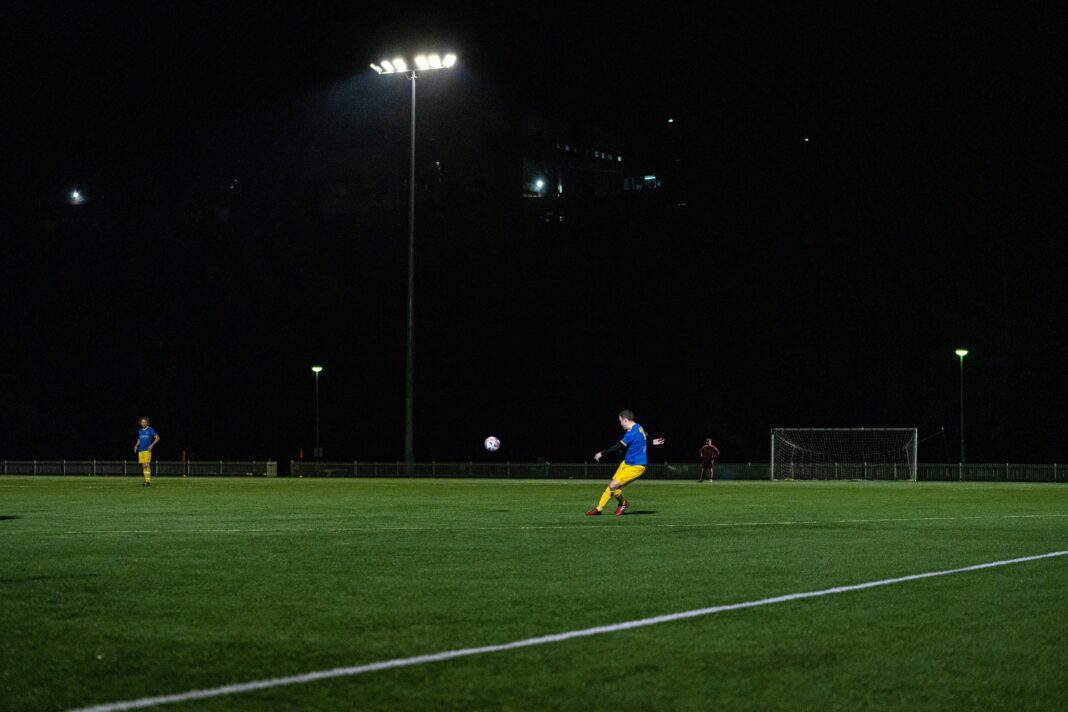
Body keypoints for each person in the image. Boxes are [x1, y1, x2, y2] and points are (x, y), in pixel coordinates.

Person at [586, 410, 665, 516]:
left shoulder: (631, 433)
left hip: (637, 467)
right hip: (626, 463)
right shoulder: (638, 426)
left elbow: (617, 447)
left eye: (621, 421)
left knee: (613, 485)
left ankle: (623, 503)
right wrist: (652, 441)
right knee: (612, 486)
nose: (620, 424)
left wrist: (601, 453)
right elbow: (646, 434)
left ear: (625, 420)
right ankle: (599, 509)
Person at [133, 417, 160, 486]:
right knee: (143, 466)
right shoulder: (140, 431)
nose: (143, 423)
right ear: (140, 423)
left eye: (145, 422)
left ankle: (148, 481)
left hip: (147, 450)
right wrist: (136, 445)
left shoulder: (150, 429)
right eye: (142, 422)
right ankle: (145, 480)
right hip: (140, 450)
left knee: (147, 464)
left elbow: (157, 438)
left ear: (147, 423)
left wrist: (152, 445)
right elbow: (139, 439)